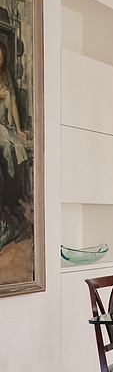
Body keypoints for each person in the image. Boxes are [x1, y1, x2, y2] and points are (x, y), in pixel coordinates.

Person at [0, 43, 30, 249]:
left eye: (2, 56)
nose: (0, 59)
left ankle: (12, 214)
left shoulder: (6, 79)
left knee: (13, 147)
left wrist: (18, 129)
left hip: (3, 123)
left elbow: (12, 107)